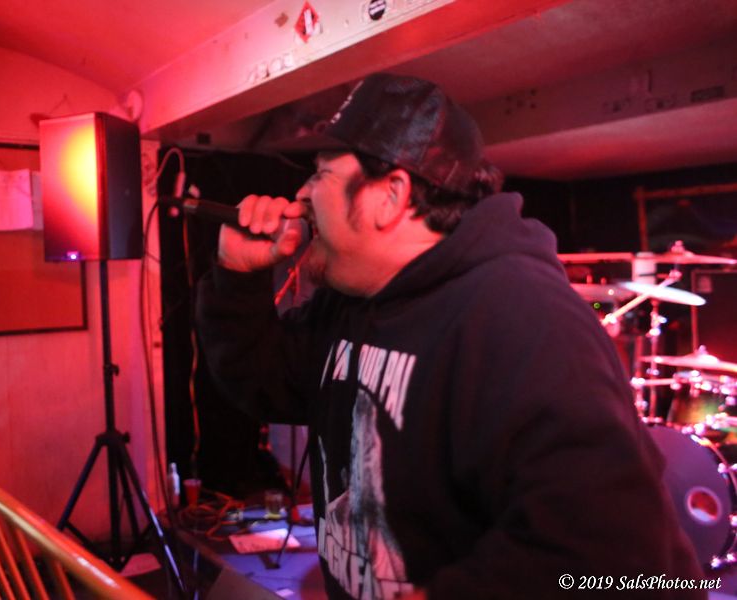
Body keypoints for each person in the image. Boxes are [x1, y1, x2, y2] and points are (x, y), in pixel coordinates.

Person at [195, 73, 704, 599]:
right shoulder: (353, 301)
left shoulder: (522, 316)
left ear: (390, 195)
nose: (301, 196)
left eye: (321, 173)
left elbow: (618, 556)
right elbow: (263, 384)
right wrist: (237, 275)